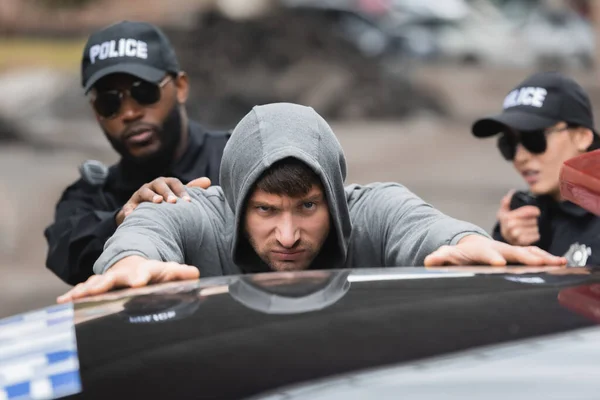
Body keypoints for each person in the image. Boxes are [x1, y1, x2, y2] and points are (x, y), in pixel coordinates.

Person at [58, 103, 566, 303]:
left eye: (306, 207)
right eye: (264, 210)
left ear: (334, 199)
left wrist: (466, 240)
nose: (287, 236)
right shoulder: (201, 211)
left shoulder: (371, 208)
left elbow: (420, 226)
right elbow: (149, 229)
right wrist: (129, 261)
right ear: (236, 203)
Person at [44, 21, 227, 285]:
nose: (130, 113)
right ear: (97, 114)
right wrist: (126, 219)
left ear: (181, 87)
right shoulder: (92, 195)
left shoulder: (234, 160)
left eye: (144, 92)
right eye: (110, 102)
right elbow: (65, 247)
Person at [472, 71, 600, 266]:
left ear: (582, 136)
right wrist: (510, 248)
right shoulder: (526, 215)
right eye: (509, 144)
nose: (520, 157)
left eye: (534, 139)